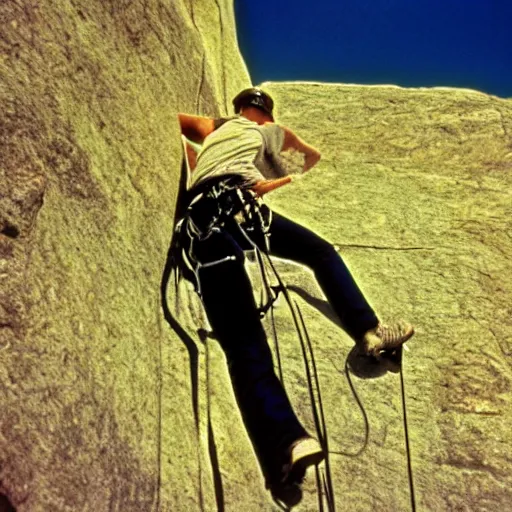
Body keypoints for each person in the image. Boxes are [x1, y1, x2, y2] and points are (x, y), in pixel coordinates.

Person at [176, 87, 414, 507]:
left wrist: (195, 166)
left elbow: (177, 124)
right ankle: (369, 332)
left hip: (204, 222)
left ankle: (288, 443)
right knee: (318, 252)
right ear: (265, 112)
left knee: (244, 341)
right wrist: (298, 167)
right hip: (246, 209)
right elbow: (308, 152)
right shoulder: (265, 129)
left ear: (239, 108)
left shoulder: (219, 127)